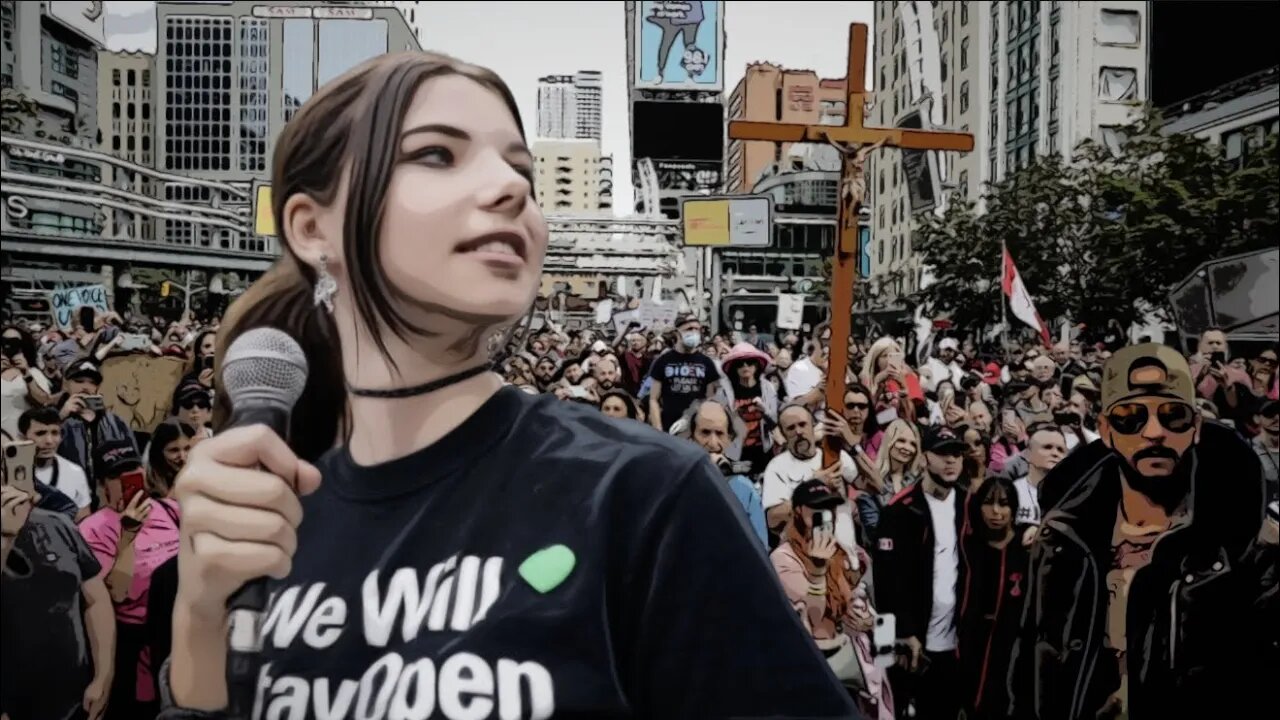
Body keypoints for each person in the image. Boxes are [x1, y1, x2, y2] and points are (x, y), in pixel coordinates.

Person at [159, 52, 857, 719]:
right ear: (313, 228)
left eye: (520, 168)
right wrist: (199, 617)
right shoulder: (265, 516)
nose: (512, 187)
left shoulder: (642, 495)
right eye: (437, 153)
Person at [1009, 344, 1270, 719]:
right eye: (1129, 417)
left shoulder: (1242, 549)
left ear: (1195, 427)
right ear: (1105, 430)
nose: (1153, 432)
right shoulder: (1063, 541)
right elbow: (1031, 659)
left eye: (1173, 416)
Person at [1, 436, 114, 720]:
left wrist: (104, 675)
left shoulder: (57, 523)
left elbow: (95, 598)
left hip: (75, 700)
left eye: (9, 456)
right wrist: (5, 538)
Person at [80, 440, 182, 720]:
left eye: (133, 470)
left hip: (181, 631)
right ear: (101, 484)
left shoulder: (168, 510)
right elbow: (117, 594)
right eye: (116, 475)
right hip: (135, 644)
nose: (127, 479)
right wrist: (128, 537)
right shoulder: (91, 530)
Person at [956, 476, 1029, 720]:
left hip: (1012, 644)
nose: (996, 511)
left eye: (1004, 504)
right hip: (971, 641)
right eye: (988, 503)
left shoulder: (1026, 546)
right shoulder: (968, 546)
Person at [680, 399, 767, 547]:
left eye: (719, 433)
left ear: (729, 439)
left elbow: (760, 548)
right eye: (705, 432)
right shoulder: (677, 482)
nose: (713, 443)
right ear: (691, 436)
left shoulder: (744, 488)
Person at [647, 314, 722, 432]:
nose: (694, 333)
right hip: (668, 428)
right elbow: (653, 399)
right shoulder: (663, 360)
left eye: (697, 329)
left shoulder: (707, 363)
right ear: (677, 333)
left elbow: (710, 399)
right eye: (689, 329)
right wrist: (658, 429)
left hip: (696, 428)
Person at [19, 407, 93, 518]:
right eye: (40, 433)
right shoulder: (11, 473)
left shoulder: (75, 472)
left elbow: (83, 521)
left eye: (54, 433)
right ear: (23, 438)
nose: (49, 441)